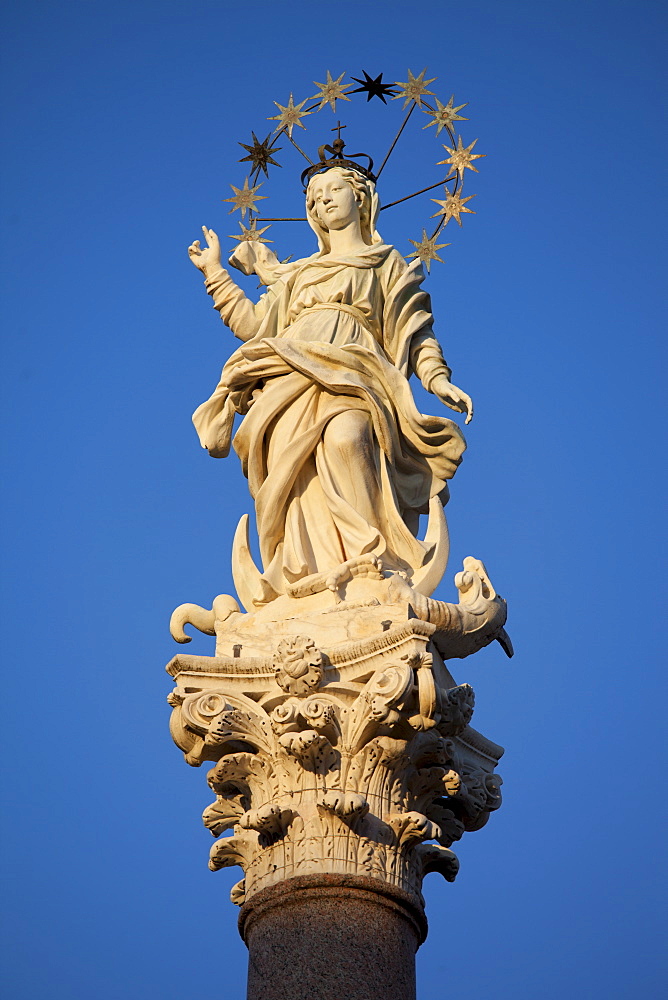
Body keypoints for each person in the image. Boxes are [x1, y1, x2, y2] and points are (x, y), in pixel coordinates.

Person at [188, 166, 473, 606]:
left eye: (333, 190)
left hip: (355, 369)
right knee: (295, 472)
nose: (323, 201)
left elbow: (415, 330)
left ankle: (373, 560)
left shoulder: (386, 263)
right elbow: (255, 326)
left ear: (360, 198)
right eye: (315, 197)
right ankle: (309, 571)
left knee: (349, 437)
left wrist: (438, 379)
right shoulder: (298, 274)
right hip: (290, 374)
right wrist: (215, 273)